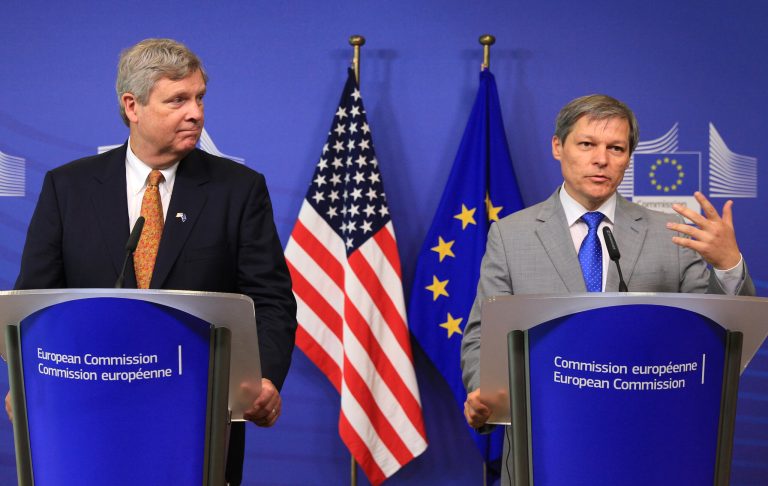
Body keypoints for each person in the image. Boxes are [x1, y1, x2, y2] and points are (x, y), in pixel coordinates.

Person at [9, 38, 297, 485]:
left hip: (196, 419)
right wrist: (28, 380)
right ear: (132, 106)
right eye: (178, 100)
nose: (196, 112)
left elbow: (271, 300)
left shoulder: (238, 190)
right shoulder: (68, 188)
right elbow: (34, 302)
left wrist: (265, 379)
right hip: (87, 415)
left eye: (199, 97)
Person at [460, 94, 755, 482]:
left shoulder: (670, 234)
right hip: (546, 447)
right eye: (587, 144)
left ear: (628, 157)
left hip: (650, 446)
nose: (602, 159)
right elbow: (483, 333)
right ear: (557, 146)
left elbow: (717, 336)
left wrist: (728, 264)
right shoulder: (511, 235)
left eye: (616, 148)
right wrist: (485, 393)